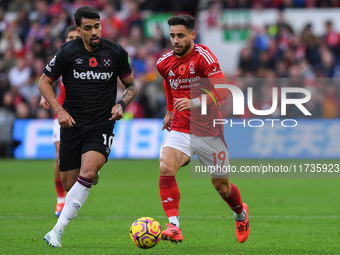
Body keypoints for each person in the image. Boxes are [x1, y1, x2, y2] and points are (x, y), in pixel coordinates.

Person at [38, 6, 137, 247]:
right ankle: (90, 172)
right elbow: (43, 82)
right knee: (70, 185)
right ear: (79, 30)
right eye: (88, 28)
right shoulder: (67, 52)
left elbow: (131, 86)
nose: (95, 31)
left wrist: (121, 104)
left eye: (97, 26)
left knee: (87, 173)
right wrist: (59, 110)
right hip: (71, 124)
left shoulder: (115, 52)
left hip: (101, 124)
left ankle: (57, 231)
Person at [156, 14, 250, 244]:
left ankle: (241, 213)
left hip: (209, 130)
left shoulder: (204, 57)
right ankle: (174, 226)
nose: (175, 40)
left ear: (192, 35)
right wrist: (170, 109)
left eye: (180, 35)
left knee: (222, 187)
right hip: (180, 127)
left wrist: (193, 102)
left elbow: (225, 92)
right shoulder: (163, 63)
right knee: (165, 165)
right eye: (172, 36)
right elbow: (169, 80)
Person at [40, 25, 81, 218]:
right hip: (62, 114)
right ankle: (60, 199)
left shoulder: (88, 58)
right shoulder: (63, 56)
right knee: (60, 156)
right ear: (65, 40)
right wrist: (45, 97)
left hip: (85, 115)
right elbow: (48, 79)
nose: (73, 39)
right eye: (70, 37)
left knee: (83, 158)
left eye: (76, 36)